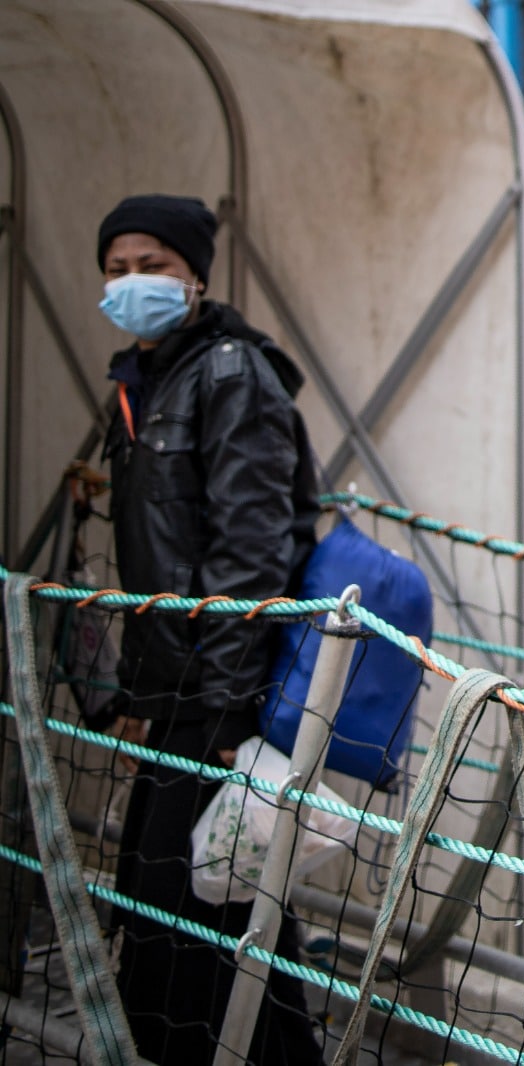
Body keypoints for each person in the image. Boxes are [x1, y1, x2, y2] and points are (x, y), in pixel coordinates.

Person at [95, 194, 323, 1064]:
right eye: (116, 270)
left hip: (217, 695)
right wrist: (139, 685)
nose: (132, 284)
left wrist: (226, 714)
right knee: (186, 901)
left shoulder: (230, 374)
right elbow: (157, 552)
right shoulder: (146, 379)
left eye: (151, 266)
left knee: (202, 901)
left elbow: (249, 555)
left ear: (194, 274)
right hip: (176, 687)